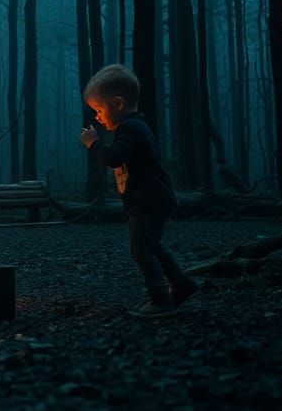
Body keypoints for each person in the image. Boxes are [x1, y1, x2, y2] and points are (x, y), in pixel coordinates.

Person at [79, 64, 199, 318]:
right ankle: (182, 285)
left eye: (99, 110)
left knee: (142, 250)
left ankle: (160, 300)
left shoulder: (131, 128)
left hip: (149, 200)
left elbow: (113, 157)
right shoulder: (134, 127)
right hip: (149, 200)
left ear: (118, 103)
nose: (98, 117)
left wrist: (93, 144)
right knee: (151, 246)